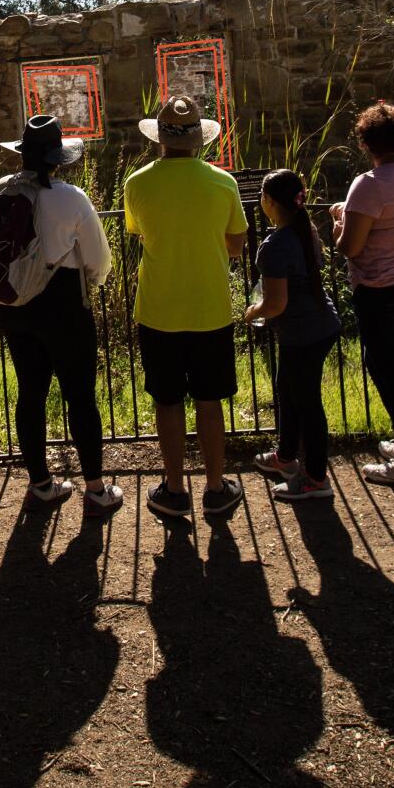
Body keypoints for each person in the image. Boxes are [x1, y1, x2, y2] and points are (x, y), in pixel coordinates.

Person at [0, 114, 123, 517]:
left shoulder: (2, 188)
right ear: (57, 159)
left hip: (14, 305)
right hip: (63, 303)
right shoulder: (71, 197)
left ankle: (41, 483)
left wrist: (6, 278)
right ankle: (95, 489)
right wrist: (95, 280)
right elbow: (99, 259)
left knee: (30, 393)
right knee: (80, 396)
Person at [124, 94, 247, 519]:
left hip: (158, 309)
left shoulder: (137, 184)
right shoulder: (223, 183)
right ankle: (215, 487)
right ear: (199, 141)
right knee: (210, 402)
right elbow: (236, 244)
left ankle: (175, 489)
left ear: (160, 139)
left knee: (168, 401)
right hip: (210, 307)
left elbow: (139, 232)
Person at [331, 101, 394, 487]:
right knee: (387, 369)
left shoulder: (369, 183)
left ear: (366, 142)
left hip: (382, 292)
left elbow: (350, 247)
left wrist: (339, 222)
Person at [244, 169, 341, 500]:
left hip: (303, 331)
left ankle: (315, 478)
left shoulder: (274, 246)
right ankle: (285, 457)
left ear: (269, 202)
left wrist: (252, 313)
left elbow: (275, 303)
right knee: (287, 390)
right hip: (318, 323)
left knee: (307, 404)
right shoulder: (306, 230)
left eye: (262, 197)